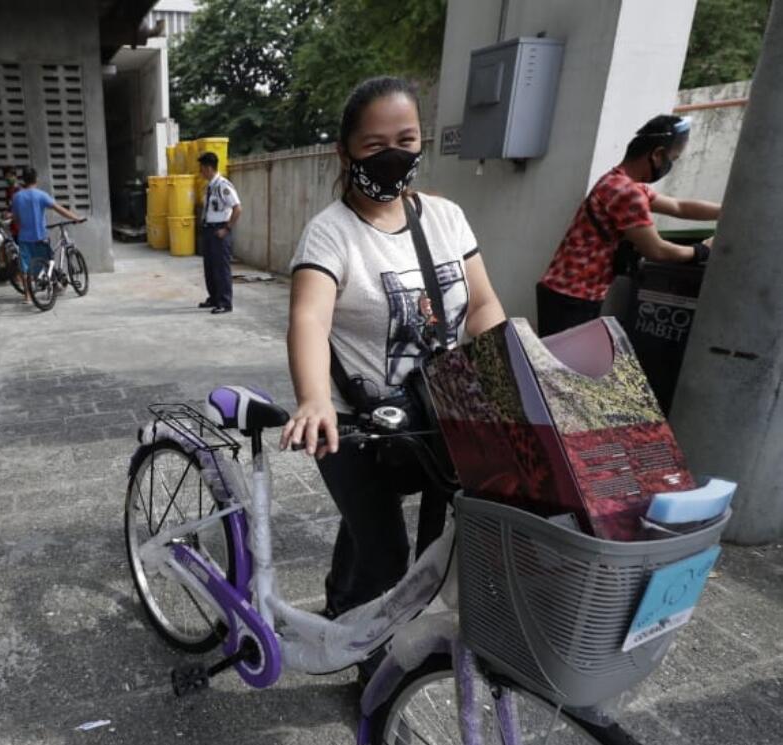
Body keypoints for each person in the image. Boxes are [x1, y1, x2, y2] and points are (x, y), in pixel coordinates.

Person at [278, 78, 506, 672]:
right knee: (385, 552)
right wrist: (312, 400)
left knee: (439, 543)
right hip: (356, 425)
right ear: (345, 151)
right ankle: (367, 663)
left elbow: (481, 307)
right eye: (375, 144)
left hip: (439, 412)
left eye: (406, 139)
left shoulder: (447, 219)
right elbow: (307, 317)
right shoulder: (331, 232)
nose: (393, 154)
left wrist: (508, 366)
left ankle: (345, 608)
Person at [537, 115, 721, 336]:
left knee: (564, 362)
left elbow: (679, 206)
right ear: (657, 155)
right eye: (673, 158)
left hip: (570, 291)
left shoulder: (621, 183)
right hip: (572, 297)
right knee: (563, 366)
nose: (670, 165)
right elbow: (656, 250)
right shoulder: (625, 192)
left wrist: (727, 212)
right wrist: (703, 250)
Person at [10, 167, 83, 303]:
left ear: (23, 180)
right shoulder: (41, 195)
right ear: (36, 179)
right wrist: (75, 218)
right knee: (48, 263)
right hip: (40, 236)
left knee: (25, 267)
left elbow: (16, 218)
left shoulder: (17, 197)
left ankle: (27, 296)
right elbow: (59, 208)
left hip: (24, 237)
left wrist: (22, 226)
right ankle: (53, 287)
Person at [197, 151, 242, 314]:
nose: (200, 171)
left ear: (208, 168)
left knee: (221, 268)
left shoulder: (223, 185)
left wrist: (227, 228)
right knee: (209, 267)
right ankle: (214, 298)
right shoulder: (210, 186)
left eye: (201, 168)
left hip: (220, 229)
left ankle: (225, 302)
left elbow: (237, 208)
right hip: (209, 230)